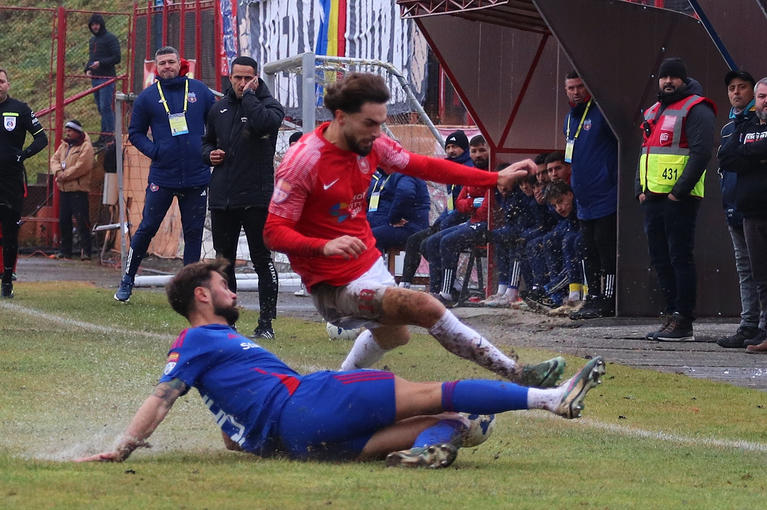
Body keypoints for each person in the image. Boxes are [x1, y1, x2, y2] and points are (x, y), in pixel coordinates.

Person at [75, 260, 606, 467]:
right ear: (203, 298)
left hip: (300, 446)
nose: (233, 293)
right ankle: (550, 399)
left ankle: (432, 449)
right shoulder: (196, 341)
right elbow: (162, 396)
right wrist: (123, 447)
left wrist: (239, 435)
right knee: (440, 391)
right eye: (224, 288)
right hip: (306, 406)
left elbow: (231, 429)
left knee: (438, 424)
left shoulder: (208, 352)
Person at [263, 73, 565, 387]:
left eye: (381, 123)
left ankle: (336, 385)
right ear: (340, 117)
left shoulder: (373, 144)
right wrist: (323, 246)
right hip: (331, 284)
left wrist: (492, 178)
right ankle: (519, 374)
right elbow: (273, 231)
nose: (378, 133)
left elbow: (423, 165)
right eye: (370, 124)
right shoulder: (303, 162)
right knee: (423, 305)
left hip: (367, 264)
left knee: (396, 335)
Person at [115, 46, 216, 303]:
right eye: (162, 64)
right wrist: (155, 151)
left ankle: (189, 290)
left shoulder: (199, 91)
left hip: (196, 175)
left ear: (180, 64)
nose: (168, 67)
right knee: (147, 227)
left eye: (172, 62)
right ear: (156, 68)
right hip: (163, 175)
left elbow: (216, 124)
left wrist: (208, 150)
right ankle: (128, 279)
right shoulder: (147, 97)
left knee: (193, 233)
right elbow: (135, 132)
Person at [201, 56, 284, 339]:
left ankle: (266, 324)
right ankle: (229, 321)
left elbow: (262, 123)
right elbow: (207, 141)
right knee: (224, 261)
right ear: (229, 77)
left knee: (262, 260)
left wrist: (250, 96)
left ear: (257, 78)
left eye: (248, 78)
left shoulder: (270, 107)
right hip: (223, 196)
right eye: (237, 78)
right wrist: (208, 155)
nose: (242, 83)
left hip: (257, 197)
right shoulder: (218, 109)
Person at [636, 58, 716, 341]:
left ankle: (684, 322)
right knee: (660, 260)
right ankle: (670, 317)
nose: (667, 81)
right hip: (653, 198)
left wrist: (676, 193)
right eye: (663, 77)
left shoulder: (697, 108)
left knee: (680, 258)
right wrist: (640, 189)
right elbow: (645, 152)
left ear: (684, 79)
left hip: (679, 199)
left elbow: (701, 153)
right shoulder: (654, 110)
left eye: (673, 77)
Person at [560, 72, 618, 321]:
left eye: (580, 86)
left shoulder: (602, 114)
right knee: (587, 249)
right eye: (571, 88)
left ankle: (609, 299)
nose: (576, 92)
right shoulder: (569, 121)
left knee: (605, 247)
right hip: (583, 200)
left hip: (606, 195)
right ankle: (592, 297)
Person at [715, 71, 765, 349]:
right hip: (735, 204)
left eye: (742, 87)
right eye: (732, 88)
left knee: (760, 272)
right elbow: (726, 159)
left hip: (756, 207)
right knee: (746, 268)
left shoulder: (756, 123)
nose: (736, 92)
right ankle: (748, 324)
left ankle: (761, 327)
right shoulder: (728, 128)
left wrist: (744, 157)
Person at [397, 130, 473, 289]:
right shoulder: (451, 168)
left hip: (464, 221)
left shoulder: (468, 168)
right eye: (448, 147)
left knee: (428, 243)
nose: (451, 151)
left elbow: (466, 205)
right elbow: (451, 203)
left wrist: (445, 223)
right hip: (449, 220)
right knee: (414, 241)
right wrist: (440, 221)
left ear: (464, 148)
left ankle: (443, 287)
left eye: (455, 147)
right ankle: (405, 284)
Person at [424, 135, 493, 304]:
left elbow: (487, 209)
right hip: (472, 221)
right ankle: (436, 290)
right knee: (431, 242)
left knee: (447, 241)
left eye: (482, 150)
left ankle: (447, 293)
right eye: (474, 151)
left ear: (490, 152)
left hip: (487, 225)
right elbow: (459, 203)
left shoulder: (494, 172)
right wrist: (473, 203)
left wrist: (471, 204)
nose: (477, 155)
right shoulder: (470, 174)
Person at [0, 68, 48, 298]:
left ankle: (7, 280)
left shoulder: (20, 109)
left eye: (1, 81)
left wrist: (24, 154)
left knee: (10, 232)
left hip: (10, 180)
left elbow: (42, 138)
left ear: (8, 84)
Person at [50, 120, 94, 261]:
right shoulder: (64, 145)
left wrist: (65, 175)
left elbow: (83, 166)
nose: (67, 133)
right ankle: (65, 251)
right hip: (64, 189)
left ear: (77, 132)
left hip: (78, 190)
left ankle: (87, 251)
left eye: (70, 131)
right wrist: (58, 172)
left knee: (82, 221)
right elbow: (54, 160)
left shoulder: (86, 147)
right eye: (66, 130)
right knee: (64, 221)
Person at [366, 167, 430, 253]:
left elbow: (406, 193)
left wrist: (395, 219)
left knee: (371, 237)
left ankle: (376, 266)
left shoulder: (405, 172)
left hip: (409, 226)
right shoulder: (384, 177)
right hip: (387, 224)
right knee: (354, 236)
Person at [85, 13, 121, 146]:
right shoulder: (92, 40)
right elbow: (91, 57)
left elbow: (117, 57)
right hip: (95, 77)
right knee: (101, 108)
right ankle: (104, 134)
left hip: (107, 77)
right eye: (92, 25)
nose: (95, 27)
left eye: (97, 24)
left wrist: (101, 63)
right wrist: (88, 69)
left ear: (101, 24)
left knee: (105, 107)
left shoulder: (110, 39)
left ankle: (109, 134)